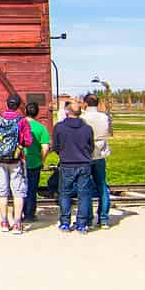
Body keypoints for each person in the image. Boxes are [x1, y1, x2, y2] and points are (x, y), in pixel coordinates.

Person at [0, 94, 34, 234]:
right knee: (18, 192)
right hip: (16, 160)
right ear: (19, 105)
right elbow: (28, 141)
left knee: (2, 192)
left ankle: (4, 222)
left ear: (6, 104)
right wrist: (19, 144)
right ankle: (17, 224)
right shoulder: (22, 121)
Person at [52, 100, 95, 233]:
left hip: (67, 163)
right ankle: (82, 223)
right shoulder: (87, 128)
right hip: (84, 163)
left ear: (67, 112)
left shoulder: (59, 127)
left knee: (65, 193)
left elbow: (56, 146)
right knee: (84, 194)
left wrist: (63, 154)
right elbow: (91, 146)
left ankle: (65, 222)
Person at [81, 94, 112, 228]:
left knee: (85, 187)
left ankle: (88, 218)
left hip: (85, 153)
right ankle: (104, 218)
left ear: (85, 103)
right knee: (102, 185)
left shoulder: (82, 118)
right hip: (100, 152)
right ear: (98, 103)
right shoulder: (104, 117)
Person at [22, 101, 50, 222]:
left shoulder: (19, 125)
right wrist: (42, 160)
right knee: (32, 189)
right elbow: (45, 147)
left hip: (19, 162)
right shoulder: (41, 128)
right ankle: (29, 215)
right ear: (37, 113)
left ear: (25, 111)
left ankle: (18, 214)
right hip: (35, 162)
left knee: (19, 189)